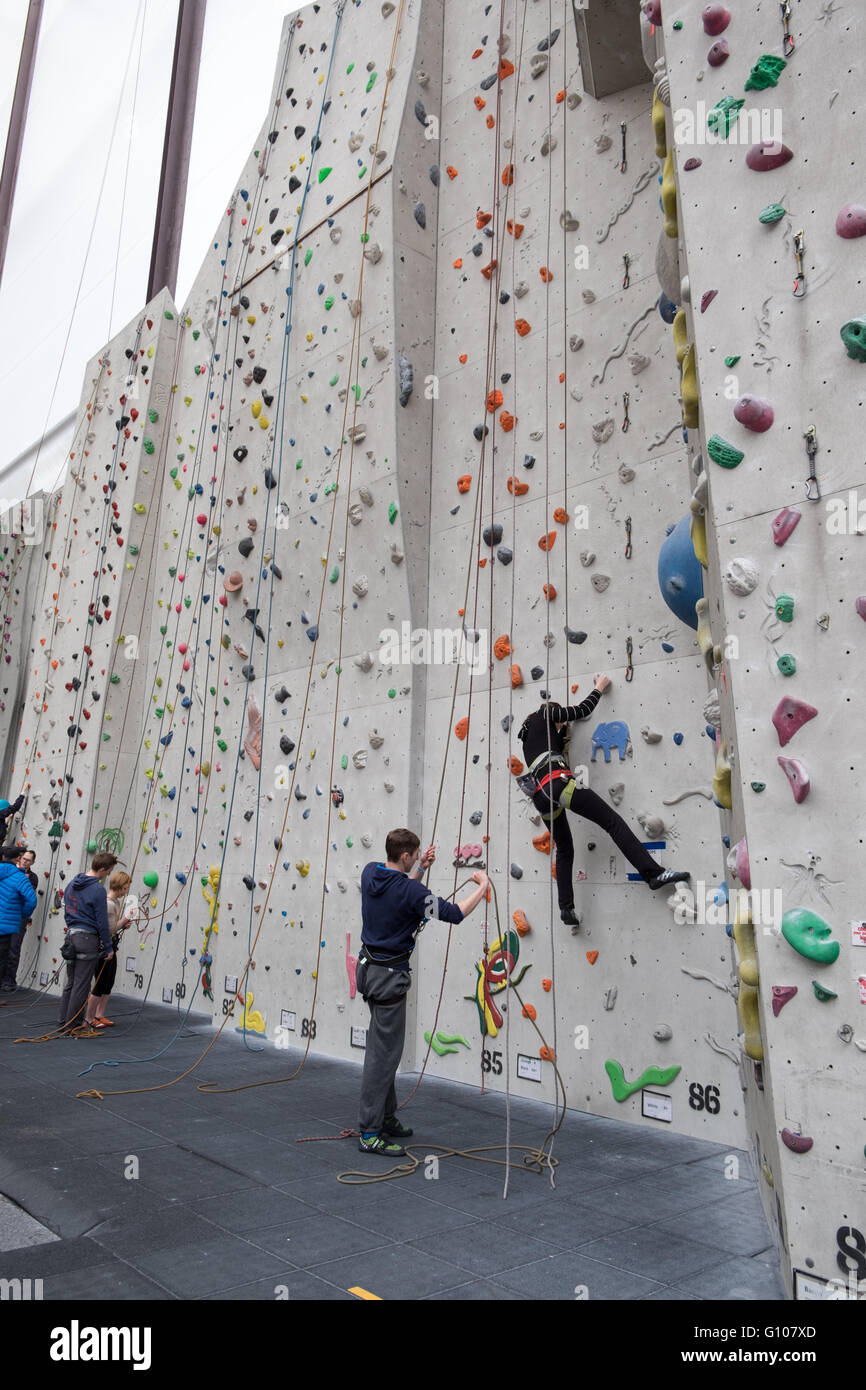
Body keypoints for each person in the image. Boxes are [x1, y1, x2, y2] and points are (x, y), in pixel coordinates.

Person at [517, 676, 691, 933]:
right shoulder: (546, 714)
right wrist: (599, 687)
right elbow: (583, 710)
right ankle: (652, 873)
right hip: (558, 782)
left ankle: (566, 908)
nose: (562, 723)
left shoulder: (526, 734)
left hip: (541, 797)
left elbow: (551, 743)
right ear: (552, 713)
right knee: (612, 822)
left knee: (564, 849)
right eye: (560, 721)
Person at [357, 829, 489, 1157]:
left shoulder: (372, 871)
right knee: (382, 1055)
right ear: (405, 856)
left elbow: (401, 889)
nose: (417, 858)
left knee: (383, 1048)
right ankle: (370, 1132)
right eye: (415, 855)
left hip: (369, 971)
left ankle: (385, 1117)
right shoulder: (411, 893)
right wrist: (483, 887)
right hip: (388, 976)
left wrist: (421, 869)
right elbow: (455, 913)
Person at [57, 852, 118, 1035]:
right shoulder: (97, 890)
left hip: (72, 936)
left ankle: (63, 1021)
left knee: (71, 982)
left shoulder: (71, 885)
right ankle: (73, 1025)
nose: (107, 876)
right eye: (108, 872)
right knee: (82, 984)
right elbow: (101, 921)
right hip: (87, 939)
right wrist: (108, 947)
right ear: (101, 869)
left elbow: (67, 910)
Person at [84, 870, 133, 1028]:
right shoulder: (108, 904)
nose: (126, 892)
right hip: (102, 948)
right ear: (119, 887)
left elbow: (114, 927)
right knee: (100, 982)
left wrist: (123, 924)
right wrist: (126, 918)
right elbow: (109, 929)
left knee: (108, 982)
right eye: (125, 888)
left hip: (111, 946)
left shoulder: (116, 903)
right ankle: (89, 1017)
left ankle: (99, 1014)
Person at [0, 846, 38, 991]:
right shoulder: (20, 877)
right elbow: (32, 900)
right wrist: (22, 914)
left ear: (3, 858)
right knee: (3, 958)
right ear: (17, 859)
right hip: (7, 926)